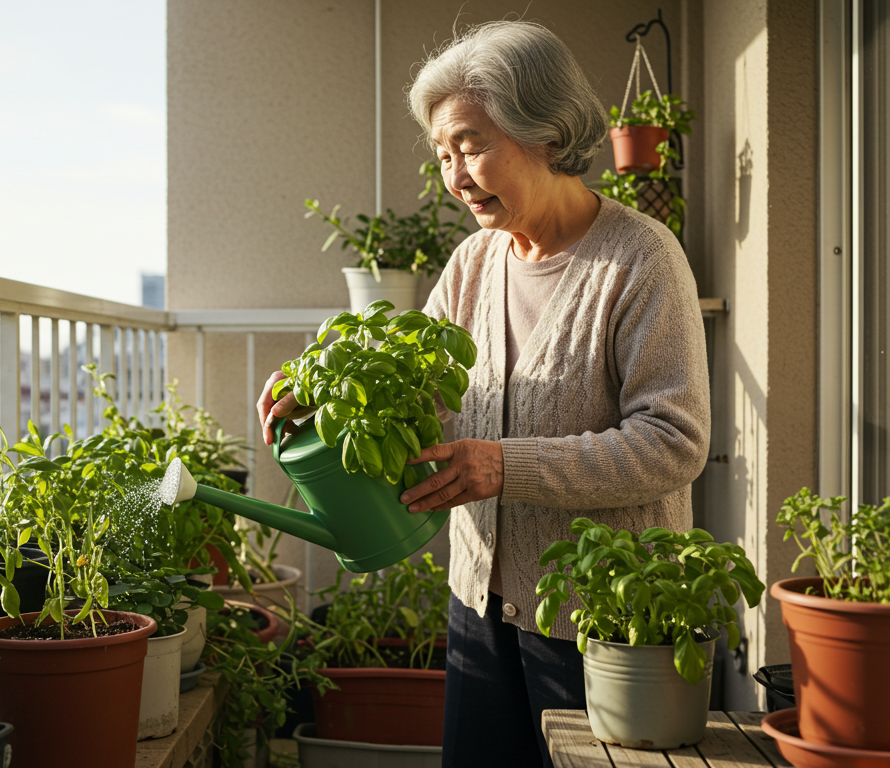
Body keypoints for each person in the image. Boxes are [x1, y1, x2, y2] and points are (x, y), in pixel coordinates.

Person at [257, 20, 710, 768]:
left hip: (596, 619)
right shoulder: (473, 262)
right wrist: (317, 389)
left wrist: (506, 465)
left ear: (548, 133)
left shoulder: (641, 260)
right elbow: (419, 398)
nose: (456, 175)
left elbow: (674, 441)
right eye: (443, 155)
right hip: (476, 601)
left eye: (470, 145)